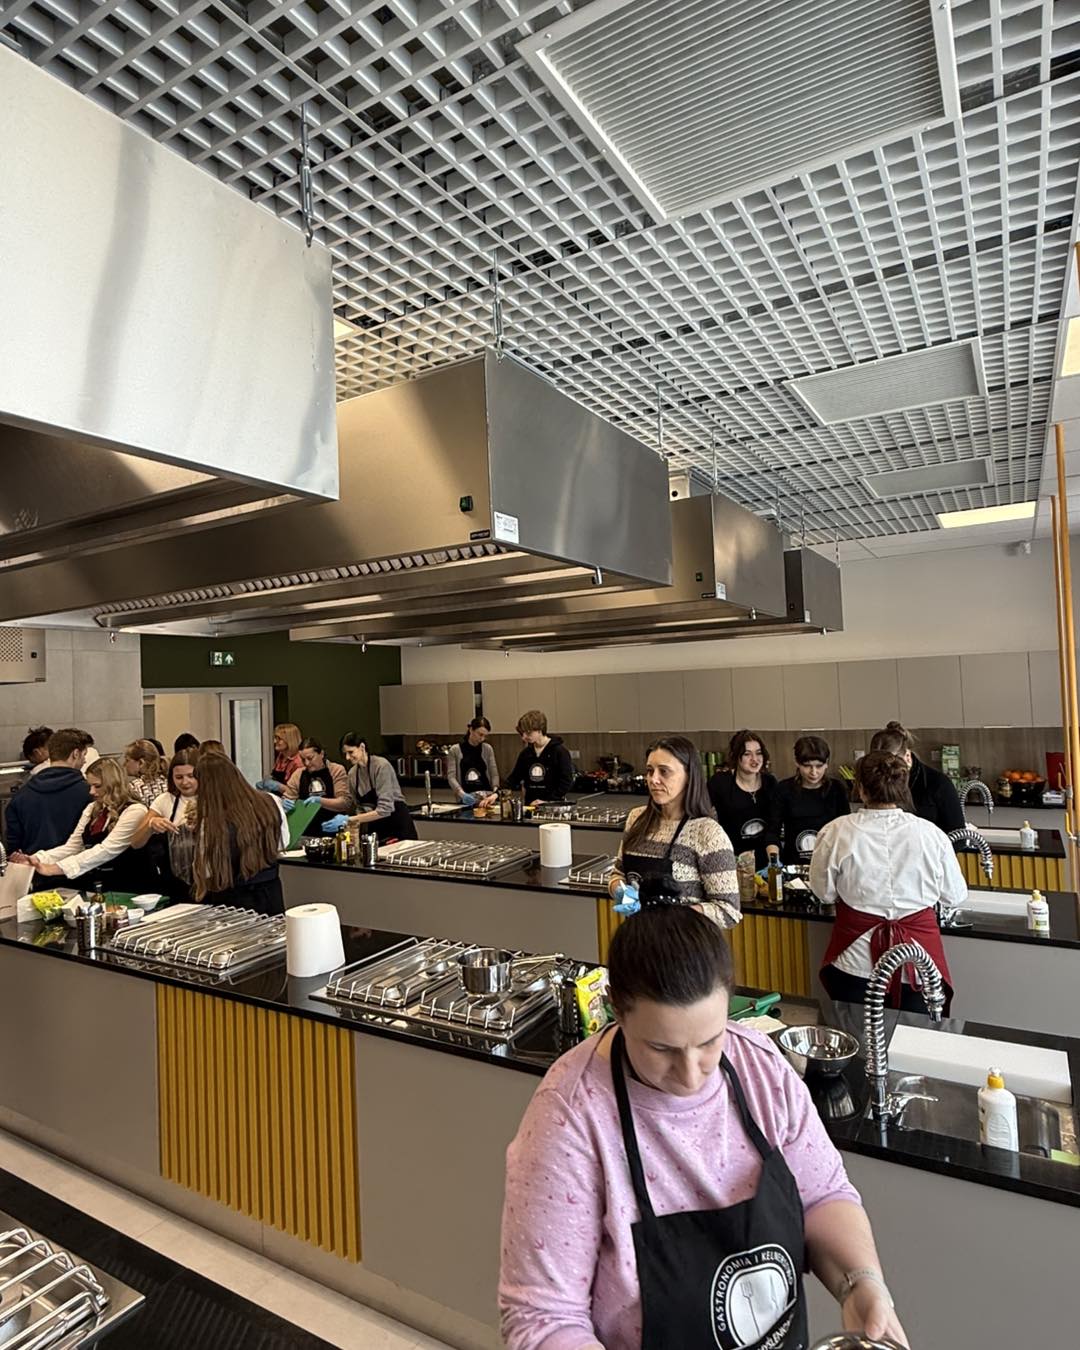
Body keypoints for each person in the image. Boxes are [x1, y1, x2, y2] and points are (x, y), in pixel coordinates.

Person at [499, 901, 908, 1350]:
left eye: (711, 1041)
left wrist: (860, 1282)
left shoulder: (761, 1069)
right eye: (662, 1049)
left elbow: (822, 1195)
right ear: (616, 1008)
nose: (691, 1075)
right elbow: (544, 1319)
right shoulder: (570, 1117)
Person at [810, 751, 967, 1012]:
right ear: (903, 788)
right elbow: (955, 895)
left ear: (860, 789)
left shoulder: (835, 832)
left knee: (856, 1034)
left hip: (855, 961)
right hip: (919, 962)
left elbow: (823, 893)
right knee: (916, 1036)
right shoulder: (931, 834)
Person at [608, 736, 740, 928]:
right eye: (650, 771)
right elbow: (618, 873)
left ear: (689, 776)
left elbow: (728, 911)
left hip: (683, 943)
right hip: (639, 938)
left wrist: (673, 914)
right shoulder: (636, 819)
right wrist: (620, 891)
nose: (653, 779)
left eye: (664, 771)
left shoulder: (707, 832)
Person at [13, 758, 153, 892]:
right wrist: (36, 859)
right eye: (90, 785)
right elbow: (73, 847)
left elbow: (106, 850)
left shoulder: (135, 811)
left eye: (97, 786)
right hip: (101, 885)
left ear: (113, 785)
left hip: (130, 886)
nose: (91, 791)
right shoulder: (93, 808)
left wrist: (56, 868)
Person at [189, 753, 289, 915]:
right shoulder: (271, 801)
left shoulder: (211, 823)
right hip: (271, 895)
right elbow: (283, 841)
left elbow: (207, 870)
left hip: (233, 903)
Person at [4, 728, 92, 884]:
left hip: (36, 878)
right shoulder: (90, 794)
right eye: (84, 755)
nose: (85, 761)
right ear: (75, 754)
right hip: (80, 877)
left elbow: (14, 848)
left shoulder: (20, 797)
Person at [869, 721, 964, 835]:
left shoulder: (939, 784)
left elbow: (959, 835)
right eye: (878, 766)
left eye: (892, 765)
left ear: (908, 757)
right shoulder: (873, 782)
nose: (885, 774)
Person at [130, 748, 200, 901]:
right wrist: (151, 825)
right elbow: (135, 842)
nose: (185, 782)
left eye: (191, 776)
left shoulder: (213, 798)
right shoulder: (164, 800)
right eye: (179, 777)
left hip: (210, 883)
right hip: (177, 885)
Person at [770, 735, 851, 865]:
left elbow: (846, 830)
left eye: (819, 766)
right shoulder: (784, 789)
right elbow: (772, 832)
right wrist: (774, 860)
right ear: (797, 762)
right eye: (807, 766)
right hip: (794, 865)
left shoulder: (836, 789)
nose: (814, 772)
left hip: (829, 864)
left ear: (827, 763)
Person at [707, 729, 779, 870]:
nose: (754, 759)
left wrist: (774, 861)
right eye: (747, 754)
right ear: (735, 756)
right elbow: (700, 814)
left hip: (765, 860)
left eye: (758, 753)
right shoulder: (720, 783)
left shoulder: (770, 782)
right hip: (731, 861)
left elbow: (776, 823)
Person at [330, 733, 418, 841]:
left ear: (362, 747)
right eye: (345, 754)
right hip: (376, 827)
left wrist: (349, 820)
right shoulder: (352, 774)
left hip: (398, 825)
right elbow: (360, 808)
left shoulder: (381, 766)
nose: (347, 757)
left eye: (351, 752)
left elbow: (385, 809)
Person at [282, 738, 350, 836]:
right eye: (303, 759)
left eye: (310, 758)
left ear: (321, 754)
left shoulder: (336, 770)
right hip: (306, 833)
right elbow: (288, 798)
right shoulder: (298, 775)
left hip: (333, 830)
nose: (307, 763)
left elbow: (344, 802)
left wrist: (320, 801)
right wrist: (284, 805)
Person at [505, 710, 574, 803]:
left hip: (553, 805)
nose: (524, 737)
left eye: (528, 733)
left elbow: (566, 782)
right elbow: (514, 778)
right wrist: (497, 794)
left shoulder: (559, 751)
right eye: (522, 733)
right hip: (531, 804)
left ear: (539, 730)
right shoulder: (526, 754)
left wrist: (548, 801)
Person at [446, 717, 500, 807]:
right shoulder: (455, 750)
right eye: (480, 734)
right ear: (471, 730)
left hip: (486, 798)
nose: (482, 739)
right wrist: (462, 794)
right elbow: (451, 777)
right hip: (466, 797)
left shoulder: (487, 749)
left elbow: (494, 774)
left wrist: (495, 792)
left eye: (485, 736)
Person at [256, 723, 303, 796]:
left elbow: (295, 792)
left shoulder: (298, 762)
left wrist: (277, 786)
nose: (275, 741)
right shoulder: (281, 756)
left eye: (279, 739)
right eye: (275, 738)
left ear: (289, 740)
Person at [123, 739, 169, 807]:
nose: (124, 764)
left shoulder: (133, 787)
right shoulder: (166, 782)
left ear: (141, 763)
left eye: (127, 760)